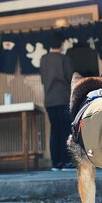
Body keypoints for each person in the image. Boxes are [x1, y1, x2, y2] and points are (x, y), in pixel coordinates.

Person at [40, 31, 75, 171]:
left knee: (55, 131)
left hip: (49, 99)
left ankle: (56, 163)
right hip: (63, 98)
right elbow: (72, 79)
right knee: (66, 130)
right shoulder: (64, 59)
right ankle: (67, 162)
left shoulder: (43, 59)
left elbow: (43, 80)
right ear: (61, 44)